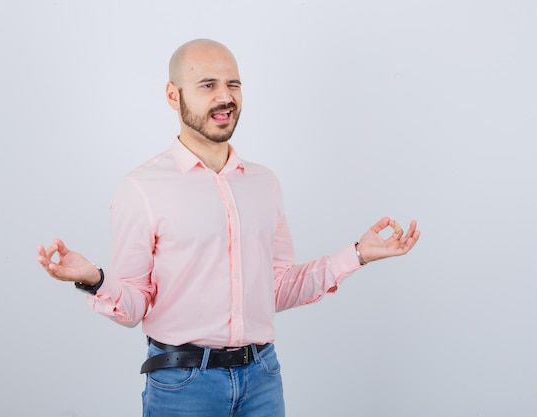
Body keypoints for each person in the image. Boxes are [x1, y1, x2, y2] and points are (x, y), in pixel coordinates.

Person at [37, 38, 420, 417]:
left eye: (233, 84)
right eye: (208, 85)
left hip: (263, 379)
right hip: (183, 385)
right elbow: (134, 305)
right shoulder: (141, 189)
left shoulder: (263, 183)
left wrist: (357, 254)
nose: (225, 96)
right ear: (174, 95)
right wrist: (95, 279)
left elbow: (276, 288)